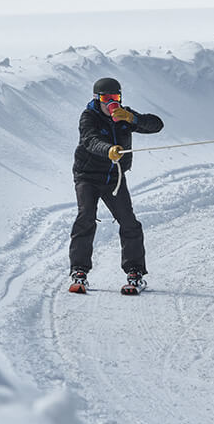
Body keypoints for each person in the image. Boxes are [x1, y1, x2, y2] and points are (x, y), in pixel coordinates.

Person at [68, 77, 164, 292]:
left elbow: (157, 125)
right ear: (96, 99)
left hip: (114, 177)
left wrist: (133, 119)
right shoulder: (88, 117)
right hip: (87, 176)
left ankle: (135, 272)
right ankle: (79, 270)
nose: (111, 103)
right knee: (86, 217)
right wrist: (108, 149)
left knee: (128, 221)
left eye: (115, 98)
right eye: (106, 98)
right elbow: (90, 140)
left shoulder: (123, 114)